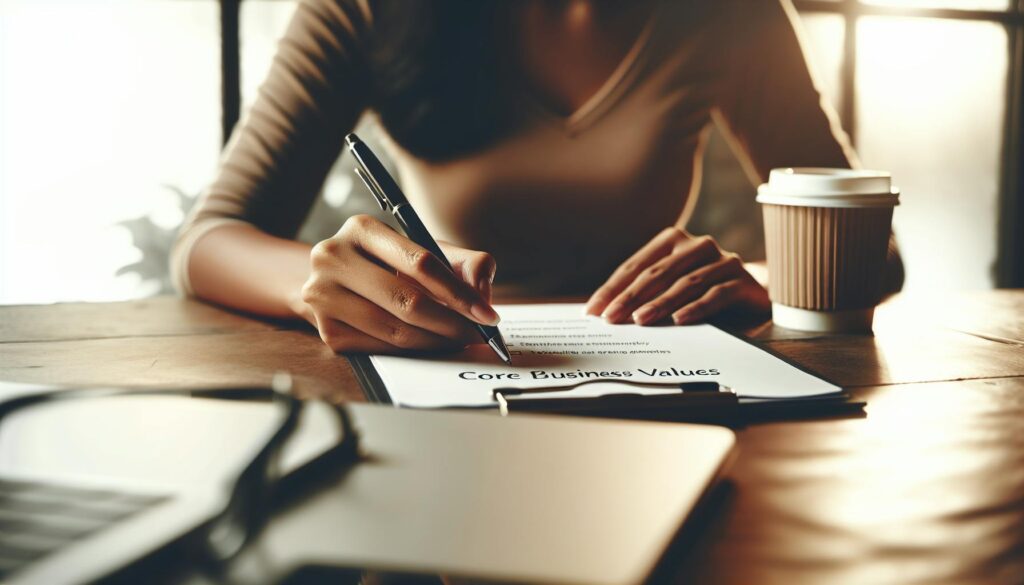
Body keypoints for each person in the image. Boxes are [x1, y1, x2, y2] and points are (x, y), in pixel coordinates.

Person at [172, 0, 903, 354]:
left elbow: (875, 250)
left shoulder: (727, 13)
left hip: (673, 383)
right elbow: (207, 243)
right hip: (451, 370)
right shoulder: (366, 8)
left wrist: (763, 277)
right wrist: (316, 282)